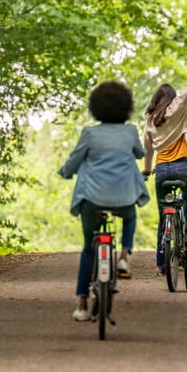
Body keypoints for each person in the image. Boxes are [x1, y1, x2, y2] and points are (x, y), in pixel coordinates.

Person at [59, 81, 149, 321]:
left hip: (92, 199)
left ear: (95, 107)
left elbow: (75, 160)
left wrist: (65, 172)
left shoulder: (90, 134)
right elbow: (140, 154)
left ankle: (81, 304)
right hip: (123, 199)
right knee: (130, 216)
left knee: (88, 247)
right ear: (127, 108)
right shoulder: (130, 132)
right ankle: (124, 257)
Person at [142, 35, 187, 275]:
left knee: (162, 216)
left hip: (162, 171)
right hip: (182, 166)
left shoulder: (150, 121)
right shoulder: (178, 109)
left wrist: (147, 170)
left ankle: (161, 265)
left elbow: (148, 150)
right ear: (171, 99)